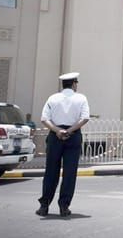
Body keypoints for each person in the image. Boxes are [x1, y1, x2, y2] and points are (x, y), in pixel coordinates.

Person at [36, 72, 90, 217]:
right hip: (73, 136)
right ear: (74, 84)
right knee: (69, 173)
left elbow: (44, 119)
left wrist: (57, 130)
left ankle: (44, 205)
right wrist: (69, 131)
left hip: (55, 136)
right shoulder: (81, 98)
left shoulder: (52, 98)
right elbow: (85, 118)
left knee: (51, 172)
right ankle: (64, 206)